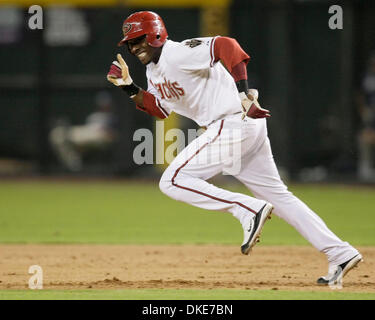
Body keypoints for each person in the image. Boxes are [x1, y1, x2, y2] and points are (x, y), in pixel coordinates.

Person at [107, 11, 362, 286]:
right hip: (240, 128)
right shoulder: (152, 70)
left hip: (231, 124)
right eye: (130, 44)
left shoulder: (178, 53)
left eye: (139, 39)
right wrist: (129, 87)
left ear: (156, 33)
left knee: (172, 181)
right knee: (280, 198)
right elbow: (160, 109)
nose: (135, 48)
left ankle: (247, 209)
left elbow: (228, 46)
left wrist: (243, 92)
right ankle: (340, 253)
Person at [49, 90, 117, 171]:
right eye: (102, 104)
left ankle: (74, 166)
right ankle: (73, 163)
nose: (104, 106)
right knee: (57, 135)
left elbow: (115, 134)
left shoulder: (113, 117)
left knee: (88, 136)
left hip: (100, 136)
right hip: (85, 133)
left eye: (106, 104)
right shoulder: (93, 116)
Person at [357, 52, 375, 182]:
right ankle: (366, 171)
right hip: (371, 115)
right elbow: (360, 95)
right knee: (364, 138)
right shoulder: (368, 78)